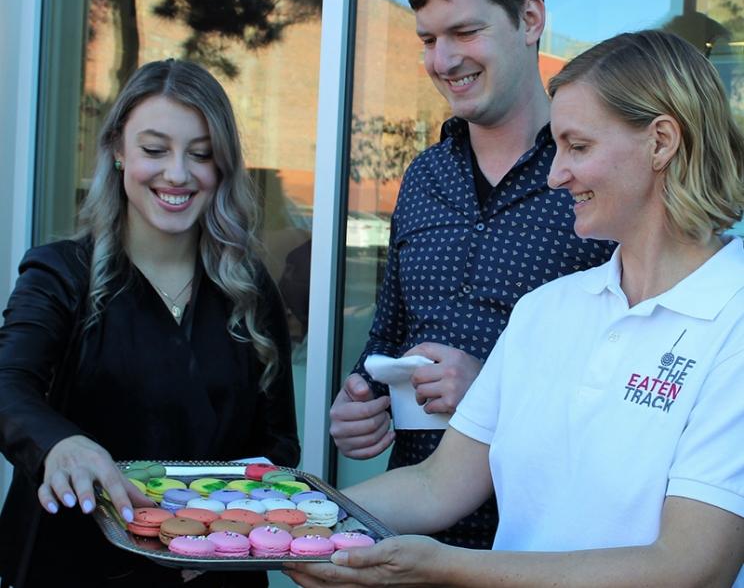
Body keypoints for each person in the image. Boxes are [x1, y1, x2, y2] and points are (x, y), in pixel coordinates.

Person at [286, 29, 744, 587]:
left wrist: (447, 569)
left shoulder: (733, 315)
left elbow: (691, 567)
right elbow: (437, 486)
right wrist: (276, 517)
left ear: (661, 142)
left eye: (578, 147)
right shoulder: (545, 311)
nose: (555, 175)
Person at [330, 0, 613, 549]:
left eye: (465, 31)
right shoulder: (425, 176)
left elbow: (631, 379)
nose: (443, 59)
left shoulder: (593, 178)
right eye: (428, 38)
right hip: (407, 528)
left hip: (544, 541)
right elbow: (390, 332)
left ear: (530, 17)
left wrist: (491, 388)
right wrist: (361, 401)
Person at [0, 59, 300, 587]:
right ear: (118, 151)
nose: (178, 173)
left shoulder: (248, 289)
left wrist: (213, 540)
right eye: (155, 150)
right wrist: (59, 443)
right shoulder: (60, 273)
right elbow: (8, 384)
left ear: (222, 166)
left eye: (201, 154)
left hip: (211, 569)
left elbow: (276, 451)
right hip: (75, 567)